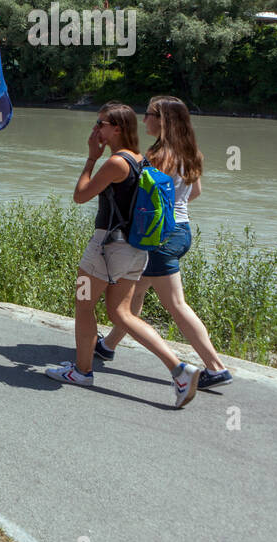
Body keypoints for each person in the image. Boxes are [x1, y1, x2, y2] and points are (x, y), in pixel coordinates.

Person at [44, 102, 202, 408]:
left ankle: (82, 371)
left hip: (106, 248)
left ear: (116, 129)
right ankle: (180, 370)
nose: (96, 129)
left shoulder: (117, 163)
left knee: (83, 304)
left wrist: (91, 157)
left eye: (101, 123)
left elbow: (80, 195)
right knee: (121, 313)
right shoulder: (143, 160)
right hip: (133, 250)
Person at [95, 97, 232, 389]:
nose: (144, 120)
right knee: (133, 298)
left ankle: (216, 367)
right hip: (181, 229)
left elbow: (141, 196)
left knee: (176, 304)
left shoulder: (158, 156)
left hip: (161, 236)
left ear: (163, 120)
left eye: (149, 115)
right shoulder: (192, 152)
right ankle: (107, 345)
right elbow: (194, 193)